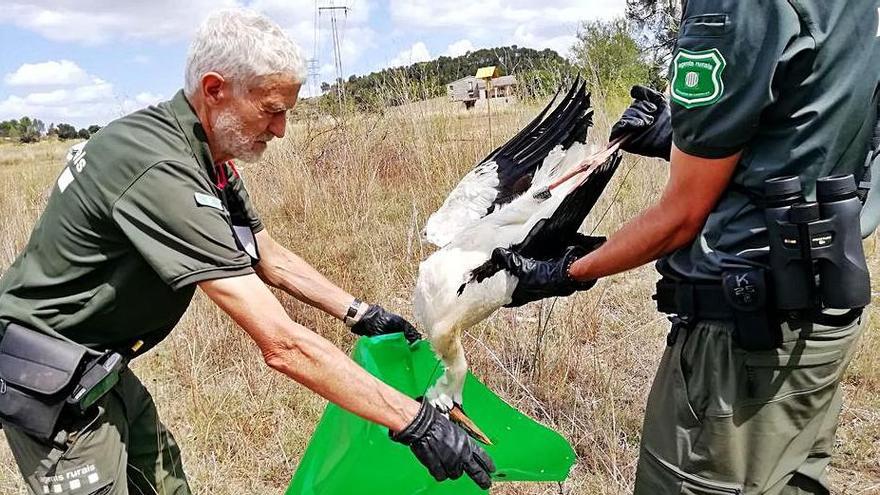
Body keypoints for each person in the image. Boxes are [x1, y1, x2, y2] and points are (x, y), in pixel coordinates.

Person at [0, 9, 493, 495]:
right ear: (215, 90)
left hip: (100, 364)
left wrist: (360, 313)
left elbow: (261, 251)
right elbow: (281, 344)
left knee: (164, 480)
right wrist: (413, 421)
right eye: (271, 110)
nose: (279, 130)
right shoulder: (159, 168)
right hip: (51, 377)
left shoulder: (205, 155)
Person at [492, 1, 880, 493]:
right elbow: (809, 123)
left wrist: (567, 270)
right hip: (823, 327)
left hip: (742, 348)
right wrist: (681, 136)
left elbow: (679, 219)